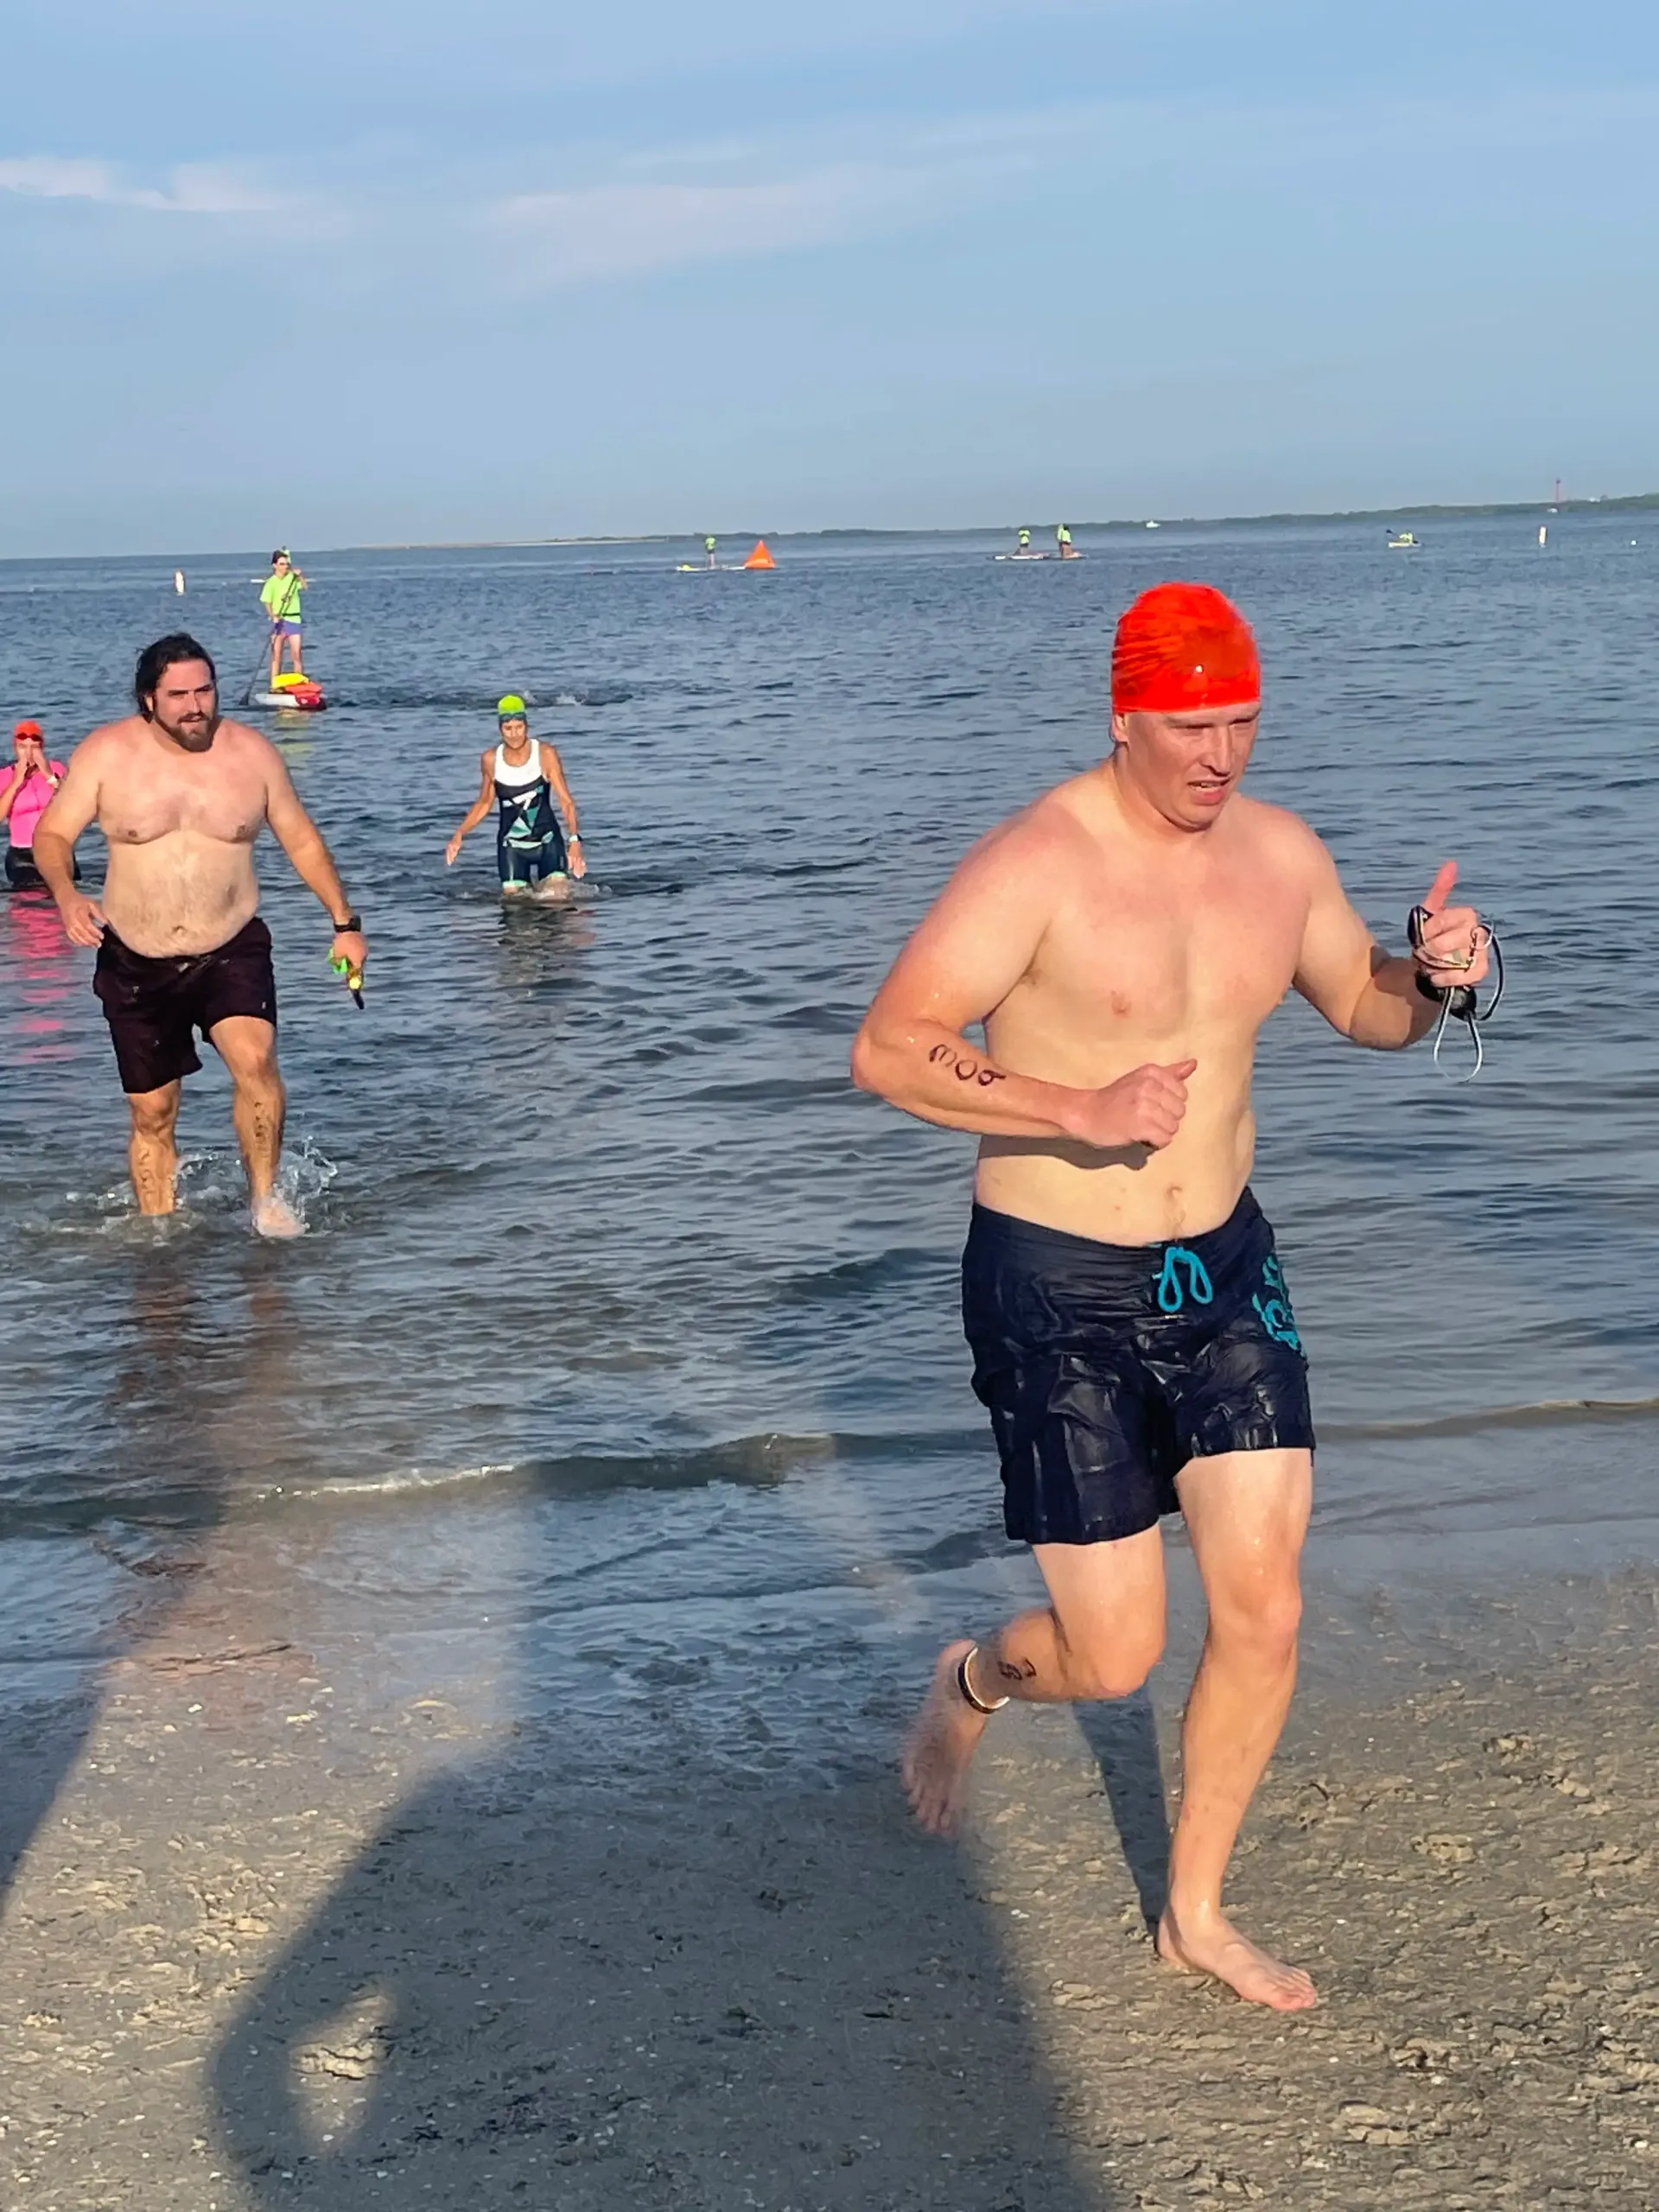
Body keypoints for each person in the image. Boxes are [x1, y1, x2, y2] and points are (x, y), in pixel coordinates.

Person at [851, 582, 1491, 2012]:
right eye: (1194, 728)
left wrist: (1440, 979)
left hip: (1226, 1271)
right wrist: (1073, 1107)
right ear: (1126, 718)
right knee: (1114, 1652)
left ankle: (1195, 1913)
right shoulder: (1040, 860)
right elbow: (890, 1045)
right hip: (1056, 1284)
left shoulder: (1279, 855)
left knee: (1265, 1608)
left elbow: (1365, 1007)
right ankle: (973, 1682)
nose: (1223, 754)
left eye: (1243, 723)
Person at [31, 633, 367, 1237]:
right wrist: (66, 895)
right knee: (153, 1112)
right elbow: (52, 836)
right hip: (136, 958)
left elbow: (301, 839)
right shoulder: (106, 755)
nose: (195, 707)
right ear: (148, 699)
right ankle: (160, 1236)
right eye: (179, 695)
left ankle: (265, 1203)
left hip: (231, 945)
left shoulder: (252, 755)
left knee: (256, 1061)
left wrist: (345, 924)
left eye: (205, 691)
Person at [444, 696, 587, 897]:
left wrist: (574, 840)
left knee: (556, 902)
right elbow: (484, 802)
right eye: (508, 729)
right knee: (516, 908)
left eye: (519, 727)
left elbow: (567, 801)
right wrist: (460, 834)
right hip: (511, 846)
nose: (514, 735)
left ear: (527, 725)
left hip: (548, 841)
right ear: (500, 729)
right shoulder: (491, 760)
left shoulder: (545, 754)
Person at [0, 721, 74, 890]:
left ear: (42, 748)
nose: (28, 754)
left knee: (68, 895)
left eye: (34, 748)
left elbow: (72, 804)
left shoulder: (57, 769)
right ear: (15, 748)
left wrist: (49, 775)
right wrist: (17, 782)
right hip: (23, 854)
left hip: (57, 849)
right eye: (22, 747)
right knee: (33, 899)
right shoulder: (4, 776)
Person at [260, 550, 307, 690]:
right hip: (280, 621)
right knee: (277, 654)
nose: (285, 567)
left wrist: (300, 576)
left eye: (286, 564)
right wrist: (273, 616)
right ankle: (274, 685)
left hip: (294, 619)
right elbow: (267, 602)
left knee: (297, 653)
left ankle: (299, 684)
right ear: (275, 565)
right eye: (281, 564)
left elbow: (305, 587)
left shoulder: (292, 578)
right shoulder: (271, 582)